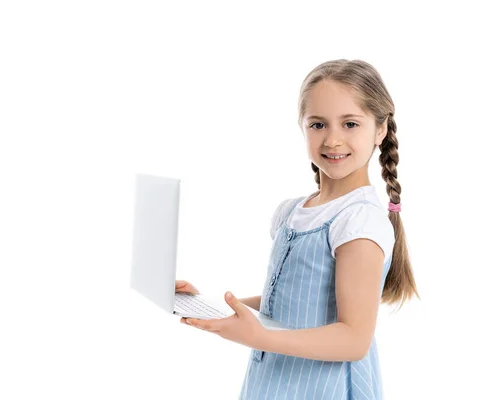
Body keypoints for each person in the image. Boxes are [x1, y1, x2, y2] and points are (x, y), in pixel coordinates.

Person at [176, 59, 419, 399]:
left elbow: (354, 340)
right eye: (318, 124)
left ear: (380, 129)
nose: (333, 139)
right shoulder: (293, 211)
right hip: (275, 380)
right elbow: (295, 301)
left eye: (350, 123)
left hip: (322, 388)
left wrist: (258, 337)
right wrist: (208, 305)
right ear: (302, 127)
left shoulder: (359, 221)